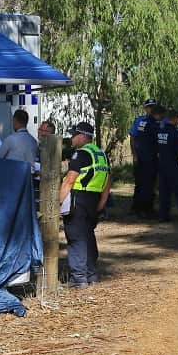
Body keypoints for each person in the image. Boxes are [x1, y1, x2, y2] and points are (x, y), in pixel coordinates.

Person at [59, 122, 112, 288]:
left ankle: (78, 279)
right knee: (88, 236)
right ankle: (91, 275)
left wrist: (58, 204)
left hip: (78, 199)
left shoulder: (81, 154)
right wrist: (100, 205)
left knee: (76, 238)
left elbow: (69, 181)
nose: (71, 138)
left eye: (74, 135)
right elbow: (107, 184)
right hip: (93, 200)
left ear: (83, 136)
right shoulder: (101, 154)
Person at [129, 100, 162, 217]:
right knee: (140, 182)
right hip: (141, 157)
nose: (151, 109)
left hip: (152, 157)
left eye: (153, 107)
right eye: (149, 107)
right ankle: (137, 207)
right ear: (145, 108)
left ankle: (147, 207)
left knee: (150, 183)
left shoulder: (159, 121)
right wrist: (134, 155)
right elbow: (132, 137)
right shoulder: (140, 121)